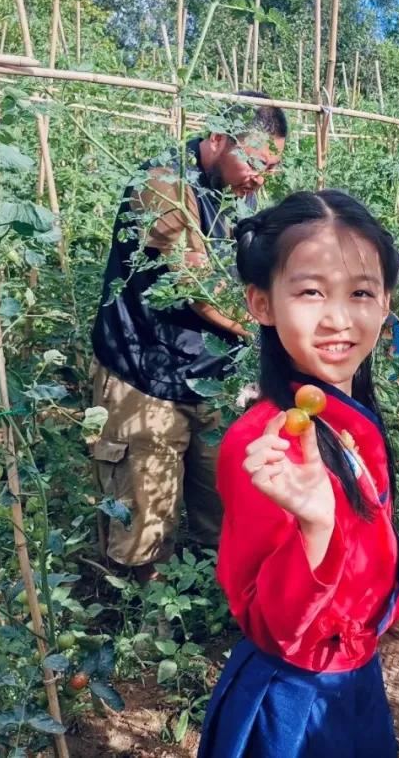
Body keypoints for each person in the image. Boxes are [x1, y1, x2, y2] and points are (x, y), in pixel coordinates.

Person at [197, 191, 399, 757]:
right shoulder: (266, 447)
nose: (338, 318)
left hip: (354, 681)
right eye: (311, 292)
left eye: (360, 292)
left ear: (385, 302)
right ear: (261, 303)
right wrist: (316, 526)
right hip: (295, 703)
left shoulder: (348, 418)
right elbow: (277, 627)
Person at [89, 92, 288, 583]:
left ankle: (203, 609)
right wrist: (275, 330)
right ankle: (138, 618)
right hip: (145, 373)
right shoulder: (163, 185)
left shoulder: (240, 190)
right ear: (218, 138)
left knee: (222, 508)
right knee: (144, 520)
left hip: (210, 375)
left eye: (271, 168)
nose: (260, 178)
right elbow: (198, 287)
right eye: (255, 163)